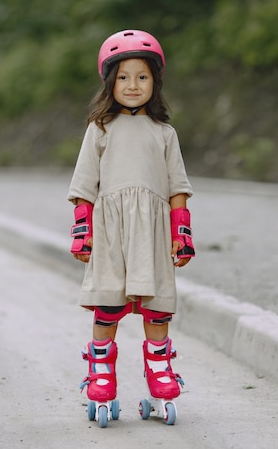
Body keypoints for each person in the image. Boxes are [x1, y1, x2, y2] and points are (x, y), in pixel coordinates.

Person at [68, 29, 195, 424]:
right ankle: (101, 374)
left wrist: (182, 234)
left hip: (153, 235)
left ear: (155, 82)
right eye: (123, 77)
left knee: (156, 311)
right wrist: (82, 229)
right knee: (108, 304)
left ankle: (160, 373)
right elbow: (85, 185)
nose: (133, 85)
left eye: (142, 76)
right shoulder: (99, 129)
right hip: (110, 233)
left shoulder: (164, 133)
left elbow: (177, 189)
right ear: (110, 83)